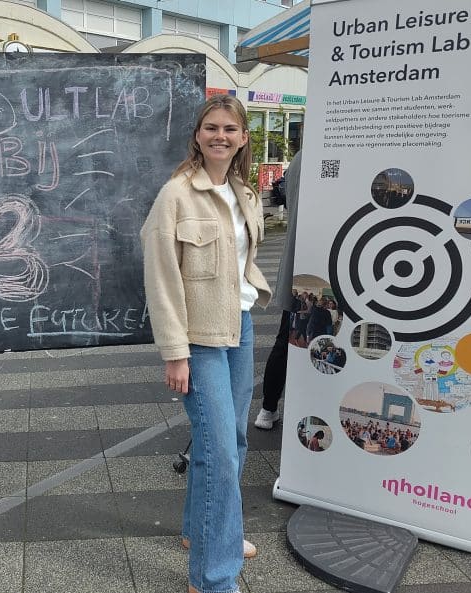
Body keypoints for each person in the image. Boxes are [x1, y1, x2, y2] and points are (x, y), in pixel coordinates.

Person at [140, 94, 271, 593]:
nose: (221, 136)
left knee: (230, 442)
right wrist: (175, 351)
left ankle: (205, 533)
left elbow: (241, 258)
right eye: (212, 127)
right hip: (197, 339)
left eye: (230, 130)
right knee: (219, 451)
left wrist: (251, 285)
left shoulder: (245, 193)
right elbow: (161, 277)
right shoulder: (175, 195)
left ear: (242, 139)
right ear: (198, 135)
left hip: (238, 326)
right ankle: (213, 578)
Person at [256, 151, 301, 430]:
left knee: (285, 340)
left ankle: (267, 408)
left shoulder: (299, 159)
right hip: (323, 269)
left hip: (296, 265)